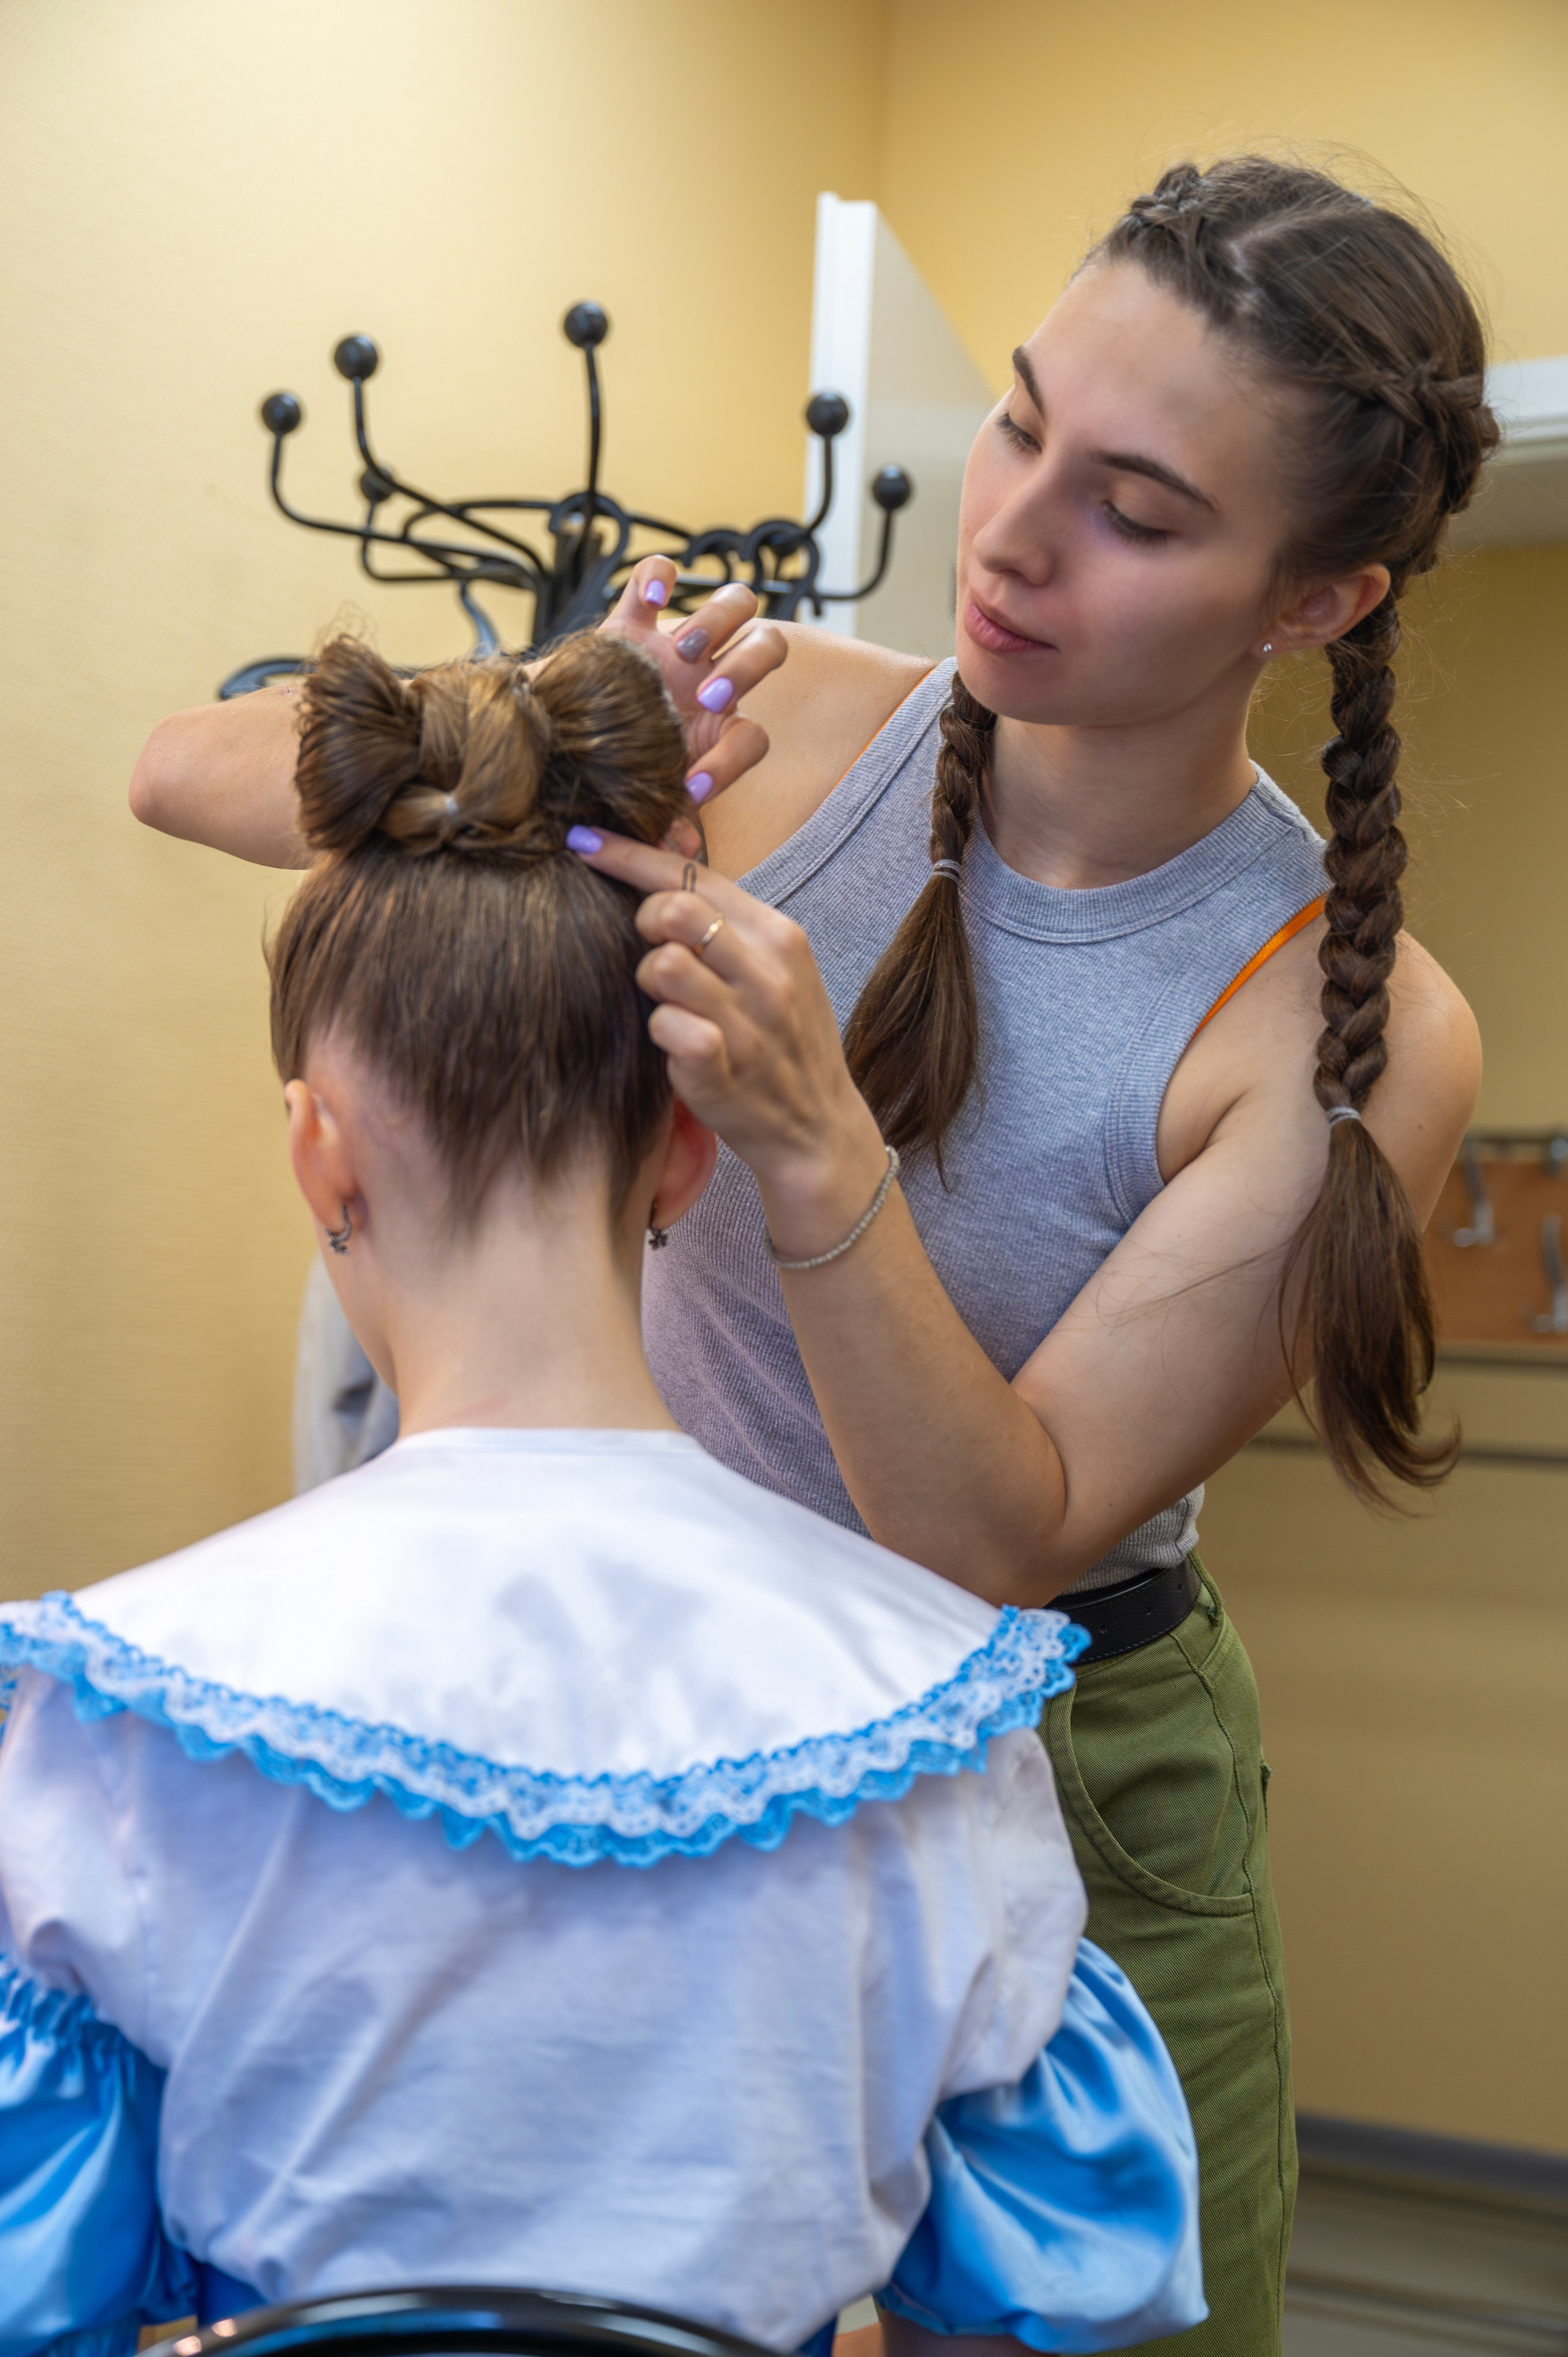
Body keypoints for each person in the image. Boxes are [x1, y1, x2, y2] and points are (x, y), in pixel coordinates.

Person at [127, 157, 1493, 2356]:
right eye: (1025, 421)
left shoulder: (1344, 1025)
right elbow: (176, 779)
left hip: (1071, 1760)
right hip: (713, 1691)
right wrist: (549, 714)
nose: (1016, 528)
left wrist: (813, 1145)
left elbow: (997, 1534)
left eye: (1137, 513)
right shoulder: (801, 729)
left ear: (1316, 602)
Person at [0, 632, 1202, 2357]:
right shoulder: (940, 1724)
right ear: (686, 1155)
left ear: (319, 1152)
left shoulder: (111, 1720)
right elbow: (1029, 2323)